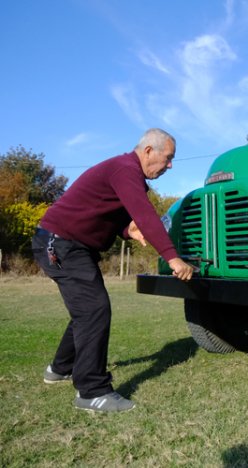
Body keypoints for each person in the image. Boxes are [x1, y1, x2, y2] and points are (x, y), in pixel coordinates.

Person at [32, 128, 194, 413]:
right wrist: (173, 258)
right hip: (60, 243)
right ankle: (92, 392)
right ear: (148, 151)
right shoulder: (124, 170)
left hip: (69, 244)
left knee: (86, 310)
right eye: (168, 158)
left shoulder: (127, 174)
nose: (170, 165)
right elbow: (144, 215)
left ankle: (59, 368)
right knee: (94, 309)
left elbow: (118, 216)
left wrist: (127, 231)